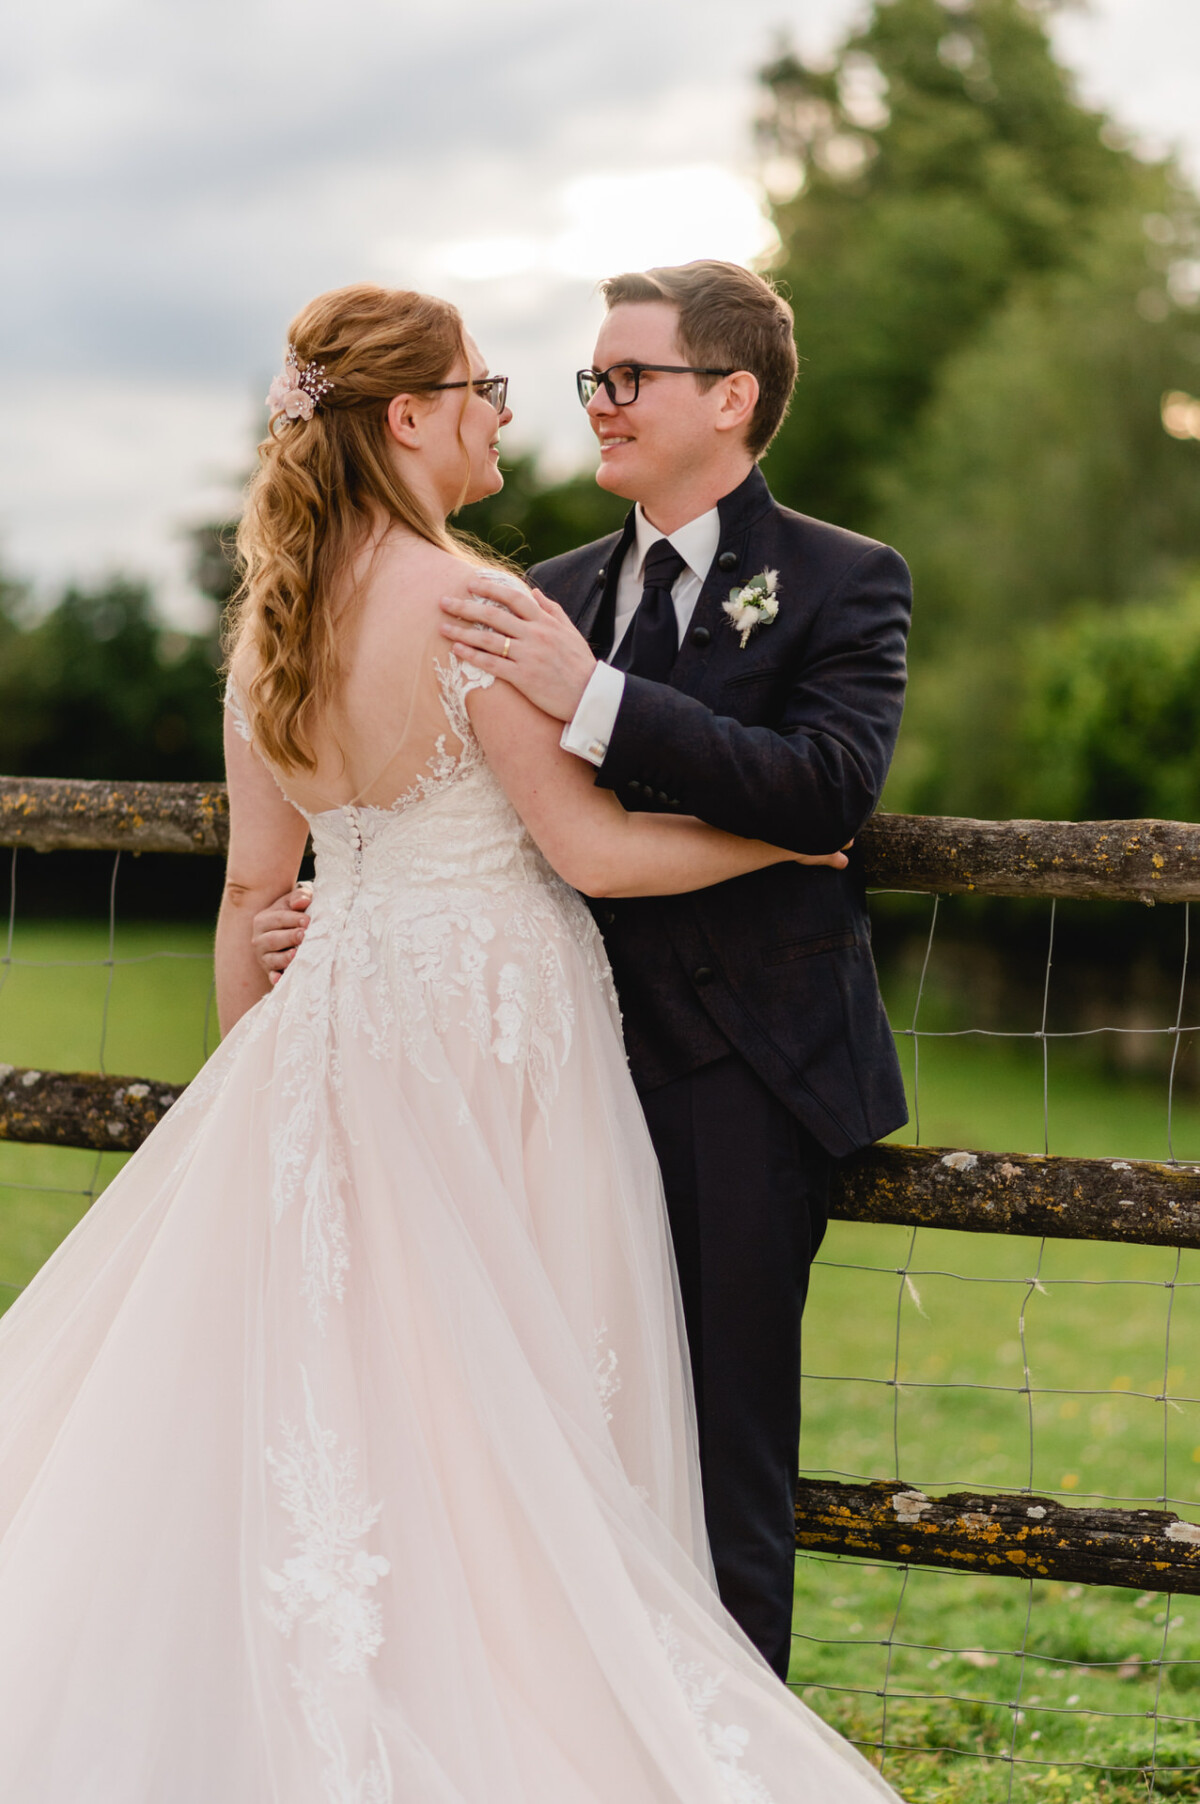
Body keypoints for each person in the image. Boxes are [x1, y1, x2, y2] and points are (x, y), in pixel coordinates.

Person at [0, 282, 899, 1800]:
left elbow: (248, 896)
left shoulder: (272, 622)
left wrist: (267, 1095)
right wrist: (787, 851)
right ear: (406, 417)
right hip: (495, 1041)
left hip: (331, 1041)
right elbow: (598, 855)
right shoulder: (479, 602)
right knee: (507, 1390)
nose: (511, 410)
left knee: (351, 1376)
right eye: (485, 387)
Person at [263, 261, 912, 1679]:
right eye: (592, 379)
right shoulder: (534, 592)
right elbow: (485, 814)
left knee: (721, 1453)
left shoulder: (841, 580)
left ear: (731, 398)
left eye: (631, 378)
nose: (597, 405)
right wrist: (333, 910)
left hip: (744, 1073)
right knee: (544, 1428)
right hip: (531, 1081)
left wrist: (599, 696)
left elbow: (827, 789)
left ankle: (718, 1730)